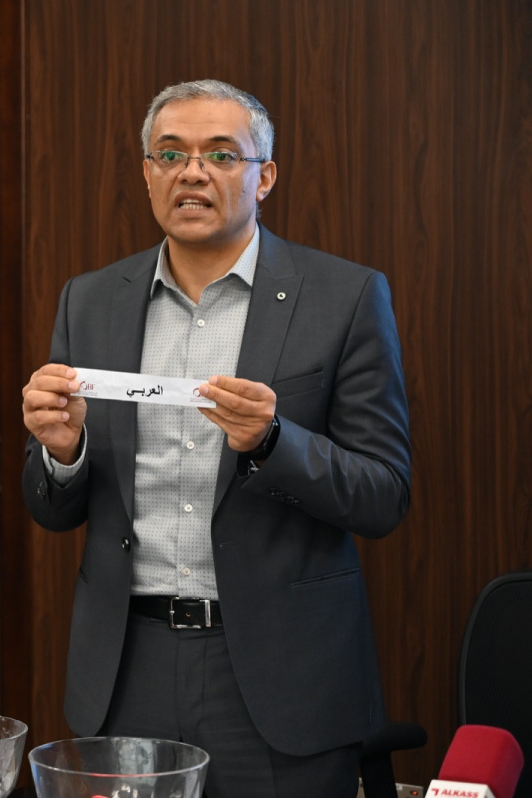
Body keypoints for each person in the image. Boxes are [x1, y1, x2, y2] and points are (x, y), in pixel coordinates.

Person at [20, 79, 411, 797]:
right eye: (170, 153)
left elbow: (384, 494)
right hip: (127, 667)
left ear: (264, 176)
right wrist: (62, 452)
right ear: (147, 174)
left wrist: (271, 442)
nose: (192, 171)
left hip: (278, 673)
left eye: (221, 155)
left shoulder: (344, 297)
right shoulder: (91, 299)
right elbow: (53, 507)